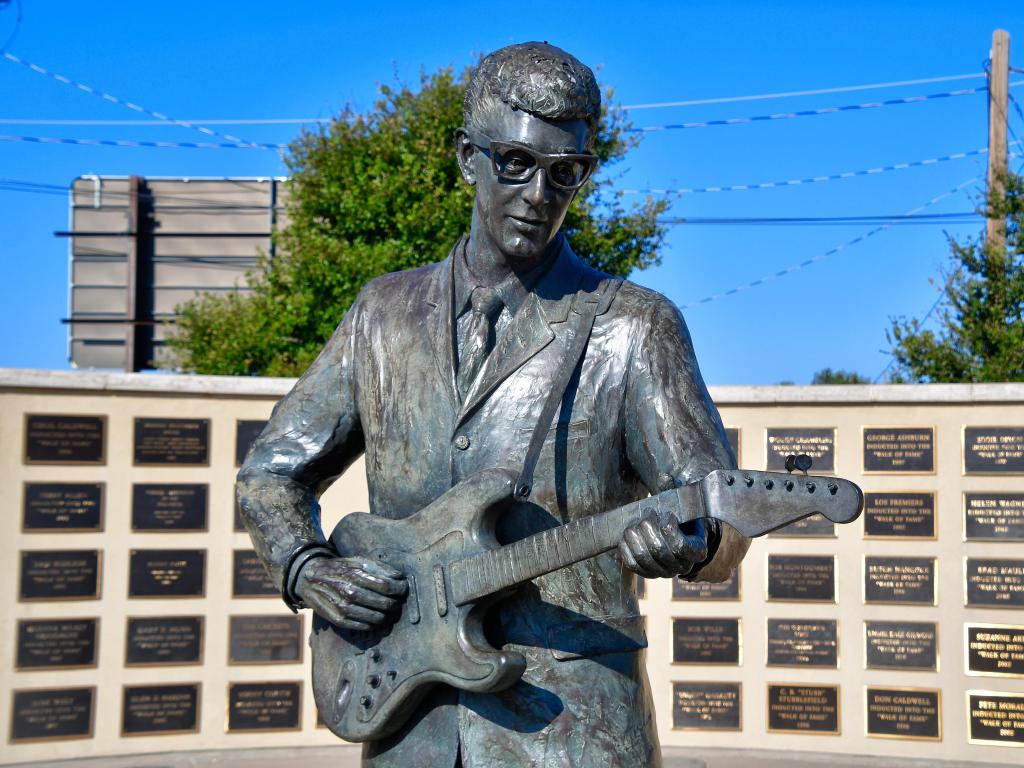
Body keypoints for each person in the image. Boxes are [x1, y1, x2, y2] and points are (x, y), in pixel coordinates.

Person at [238, 41, 749, 768]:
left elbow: (718, 513)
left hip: (574, 728)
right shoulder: (381, 313)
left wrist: (695, 544)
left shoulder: (636, 327)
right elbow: (270, 475)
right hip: (409, 722)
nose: (540, 195)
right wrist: (306, 568)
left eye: (565, 173)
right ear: (465, 156)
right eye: (515, 162)